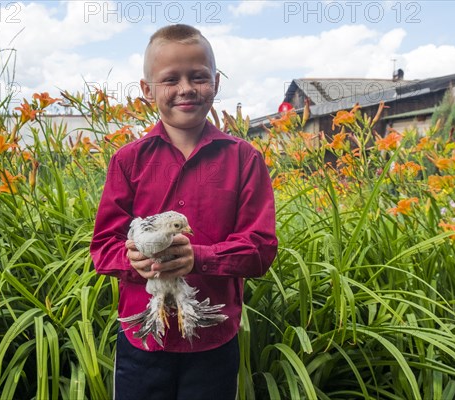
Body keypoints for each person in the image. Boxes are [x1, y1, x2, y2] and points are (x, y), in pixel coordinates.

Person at [90, 24, 278, 400]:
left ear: (217, 82)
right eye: (169, 79)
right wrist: (133, 262)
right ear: (147, 90)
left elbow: (260, 249)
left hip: (213, 336)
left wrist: (201, 258)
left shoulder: (245, 159)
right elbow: (103, 246)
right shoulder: (127, 160)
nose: (186, 89)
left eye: (198, 77)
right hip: (142, 336)